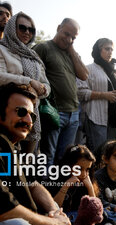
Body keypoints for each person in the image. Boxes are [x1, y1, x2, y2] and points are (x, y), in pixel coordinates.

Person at [0, 83, 71, 225]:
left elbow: (33, 185)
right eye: (21, 112)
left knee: (49, 221)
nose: (29, 120)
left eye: (32, 115)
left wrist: (54, 212)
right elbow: (1, 209)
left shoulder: (12, 147)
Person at [0, 12, 50, 154]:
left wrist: (42, 90)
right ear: (11, 28)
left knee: (27, 163)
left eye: (31, 29)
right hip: (7, 115)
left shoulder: (34, 56)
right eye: (22, 28)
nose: (27, 32)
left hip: (31, 115)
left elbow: (46, 84)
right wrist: (28, 81)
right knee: (4, 157)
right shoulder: (0, 49)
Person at [33, 18, 89, 166]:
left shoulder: (71, 54)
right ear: (58, 28)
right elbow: (31, 74)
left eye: (73, 37)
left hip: (73, 113)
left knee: (64, 158)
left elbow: (84, 75)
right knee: (48, 157)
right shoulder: (43, 47)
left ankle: (59, 188)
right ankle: (46, 188)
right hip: (54, 112)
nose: (69, 39)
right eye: (66, 34)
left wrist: (71, 49)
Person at [76, 38, 116, 151]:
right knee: (98, 154)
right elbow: (80, 92)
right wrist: (104, 95)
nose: (110, 52)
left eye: (112, 50)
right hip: (95, 118)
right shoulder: (88, 69)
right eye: (107, 49)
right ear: (98, 51)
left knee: (110, 154)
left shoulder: (112, 72)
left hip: (113, 120)